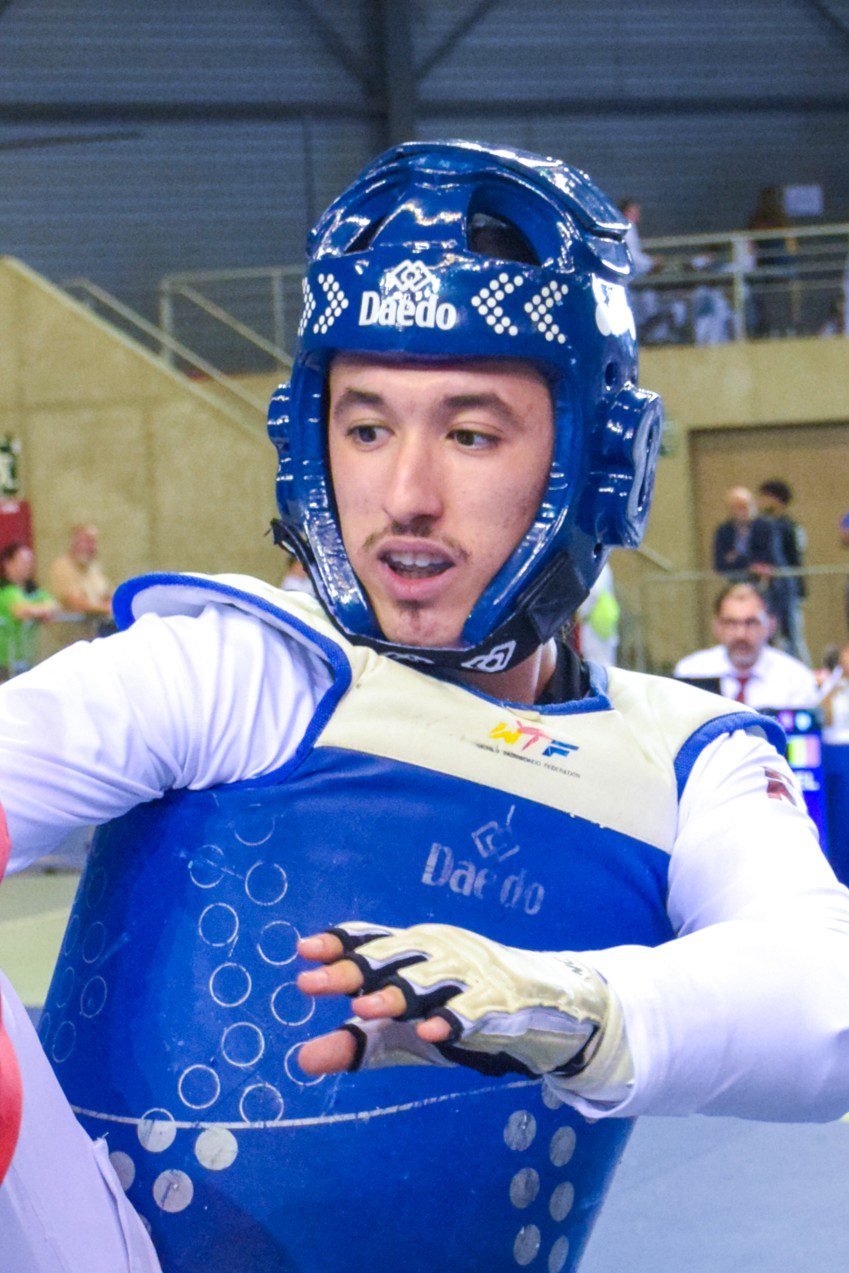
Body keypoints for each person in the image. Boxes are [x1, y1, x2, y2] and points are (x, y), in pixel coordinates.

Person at [1, 142, 849, 1273]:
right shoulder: (234, 668)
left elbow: (825, 999)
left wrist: (573, 1006)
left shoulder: (685, 755)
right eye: (366, 427)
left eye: (470, 433)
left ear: (598, 459)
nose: (405, 494)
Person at [673, 582, 819, 708]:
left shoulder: (796, 679)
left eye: (751, 623)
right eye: (731, 623)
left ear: (771, 625)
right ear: (717, 626)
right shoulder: (691, 672)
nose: (741, 634)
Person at [756, 478, 809, 663]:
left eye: (764, 497)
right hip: (771, 591)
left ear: (776, 499)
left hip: (789, 589)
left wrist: (797, 588)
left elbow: (796, 558)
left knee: (793, 635)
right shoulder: (764, 526)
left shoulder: (791, 527)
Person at [0, 542, 59, 679]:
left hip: (26, 659)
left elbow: (54, 604)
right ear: (8, 563)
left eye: (29, 562)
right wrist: (41, 611)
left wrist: (38, 611)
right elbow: (20, 611)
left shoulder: (32, 590)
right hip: (5, 660)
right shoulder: (5, 589)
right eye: (22, 561)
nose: (27, 566)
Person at [49, 523, 113, 637]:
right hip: (70, 636)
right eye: (87, 541)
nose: (92, 546)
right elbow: (76, 603)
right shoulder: (63, 567)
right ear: (74, 543)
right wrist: (106, 608)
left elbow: (107, 594)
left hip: (94, 634)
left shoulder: (94, 568)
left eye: (94, 541)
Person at [712, 485, 778, 579]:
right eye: (738, 507)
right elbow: (720, 564)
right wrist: (750, 564)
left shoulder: (768, 527)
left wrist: (736, 558)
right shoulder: (723, 530)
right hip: (734, 581)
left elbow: (769, 558)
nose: (743, 511)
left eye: (746, 505)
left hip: (766, 582)